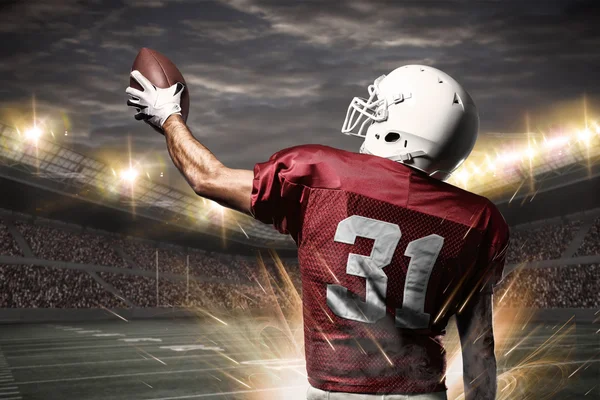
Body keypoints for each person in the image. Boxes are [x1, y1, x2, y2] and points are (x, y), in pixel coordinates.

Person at [126, 64, 509, 400]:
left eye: (380, 108)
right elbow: (480, 350)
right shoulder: (478, 220)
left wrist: (168, 116)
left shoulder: (321, 176)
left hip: (336, 393)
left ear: (403, 128)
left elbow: (207, 177)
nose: (371, 113)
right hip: (424, 393)